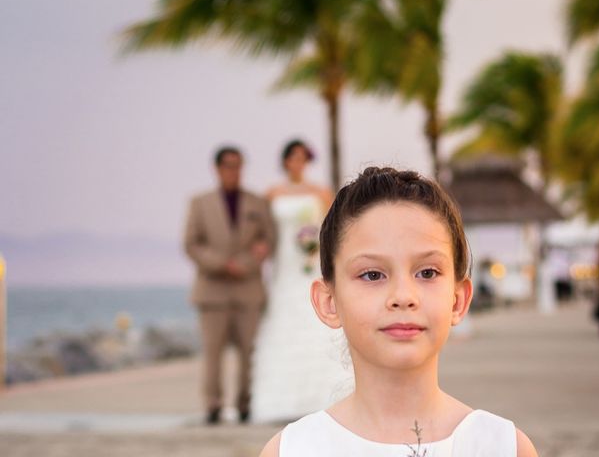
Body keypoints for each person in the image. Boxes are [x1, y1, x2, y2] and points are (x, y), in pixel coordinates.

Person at [259, 167, 538, 456]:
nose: (403, 297)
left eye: (427, 272)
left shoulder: (503, 446)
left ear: (458, 300)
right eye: (372, 275)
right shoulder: (293, 449)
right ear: (328, 301)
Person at [250, 139, 352, 423]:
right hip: (284, 265)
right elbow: (261, 231)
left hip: (310, 262)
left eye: (303, 158)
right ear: (285, 161)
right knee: (283, 321)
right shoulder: (272, 194)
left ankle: (324, 398)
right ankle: (280, 400)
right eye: (293, 157)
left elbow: (335, 227)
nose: (298, 162)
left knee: (316, 323)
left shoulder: (319, 192)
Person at [184, 146, 276, 424]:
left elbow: (269, 241)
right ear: (217, 168)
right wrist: (223, 263)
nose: (233, 170)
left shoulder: (257, 203)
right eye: (227, 165)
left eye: (238, 165)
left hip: (248, 290)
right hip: (212, 291)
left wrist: (246, 263)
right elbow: (191, 244)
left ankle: (245, 404)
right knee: (213, 353)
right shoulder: (199, 203)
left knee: (250, 352)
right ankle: (213, 405)